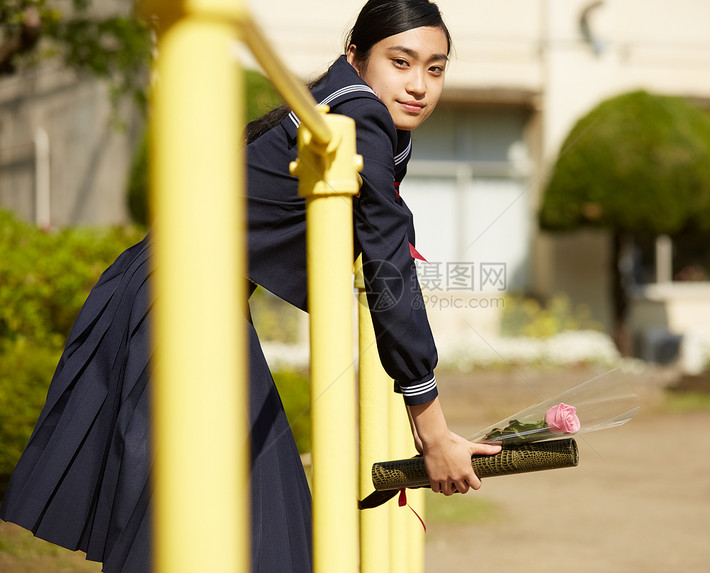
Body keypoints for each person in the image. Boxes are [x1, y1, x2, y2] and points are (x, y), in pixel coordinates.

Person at [0, 1, 500, 572]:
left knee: (220, 534)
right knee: (251, 538)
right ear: (355, 57)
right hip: (184, 306)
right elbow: (391, 267)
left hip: (173, 295)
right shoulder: (360, 116)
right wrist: (431, 430)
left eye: (435, 69)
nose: (418, 86)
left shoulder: (330, 109)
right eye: (401, 62)